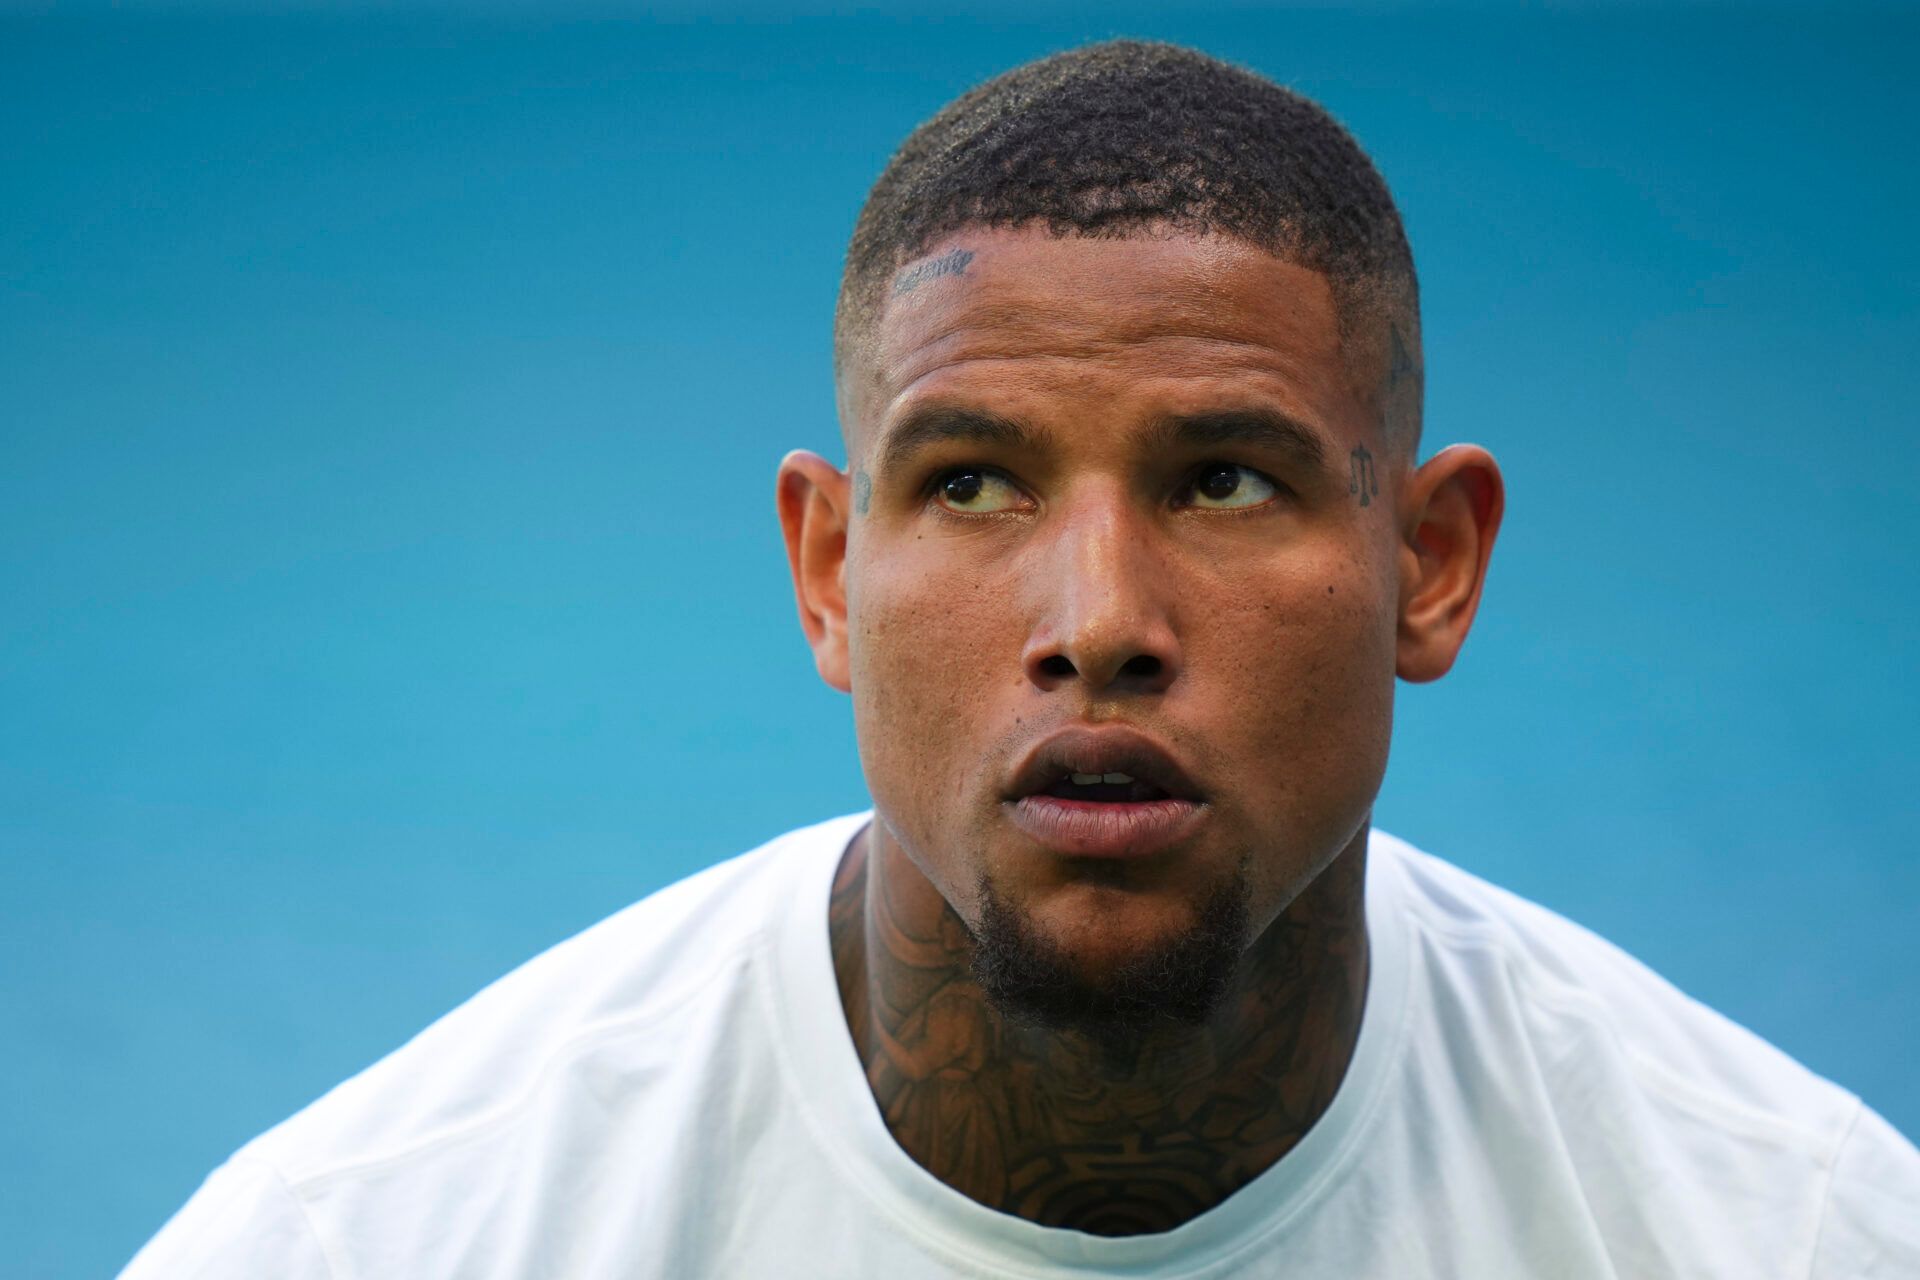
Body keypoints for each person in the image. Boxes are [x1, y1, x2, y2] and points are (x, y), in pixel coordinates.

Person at [121, 40, 1920, 1279]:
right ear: (830, 574)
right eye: (973, 482)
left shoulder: (1789, 1231)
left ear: (1426, 566)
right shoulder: (373, 1238)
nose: (1097, 623)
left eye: (1224, 479)